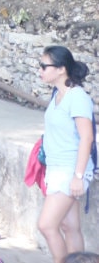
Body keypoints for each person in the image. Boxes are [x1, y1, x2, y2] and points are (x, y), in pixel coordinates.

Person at [38, 45, 95, 263]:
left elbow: (87, 138)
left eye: (44, 66)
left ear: (61, 69)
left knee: (46, 225)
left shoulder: (77, 97)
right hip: (56, 168)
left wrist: (78, 176)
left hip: (70, 169)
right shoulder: (57, 95)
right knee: (69, 226)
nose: (40, 70)